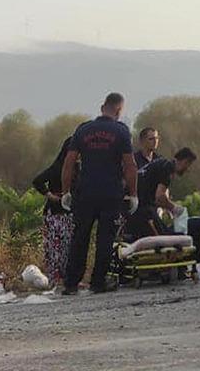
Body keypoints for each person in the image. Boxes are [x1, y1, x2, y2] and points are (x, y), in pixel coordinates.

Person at [61, 93, 138, 295]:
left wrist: (66, 191)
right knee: (105, 238)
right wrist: (133, 193)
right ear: (119, 110)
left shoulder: (83, 129)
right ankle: (97, 282)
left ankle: (71, 283)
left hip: (85, 192)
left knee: (80, 237)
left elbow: (69, 162)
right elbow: (130, 165)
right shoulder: (121, 132)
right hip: (110, 193)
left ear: (102, 107)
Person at [32, 137, 76, 286]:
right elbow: (38, 181)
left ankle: (68, 277)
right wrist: (50, 195)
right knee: (56, 248)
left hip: (70, 214)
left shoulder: (78, 168)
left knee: (69, 248)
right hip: (56, 215)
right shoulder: (58, 167)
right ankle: (55, 278)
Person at [126, 148, 197, 239]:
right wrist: (174, 208)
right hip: (143, 210)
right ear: (184, 161)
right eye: (188, 164)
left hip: (131, 207)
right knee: (168, 239)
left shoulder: (160, 163)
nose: (187, 169)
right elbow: (159, 197)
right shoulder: (167, 168)